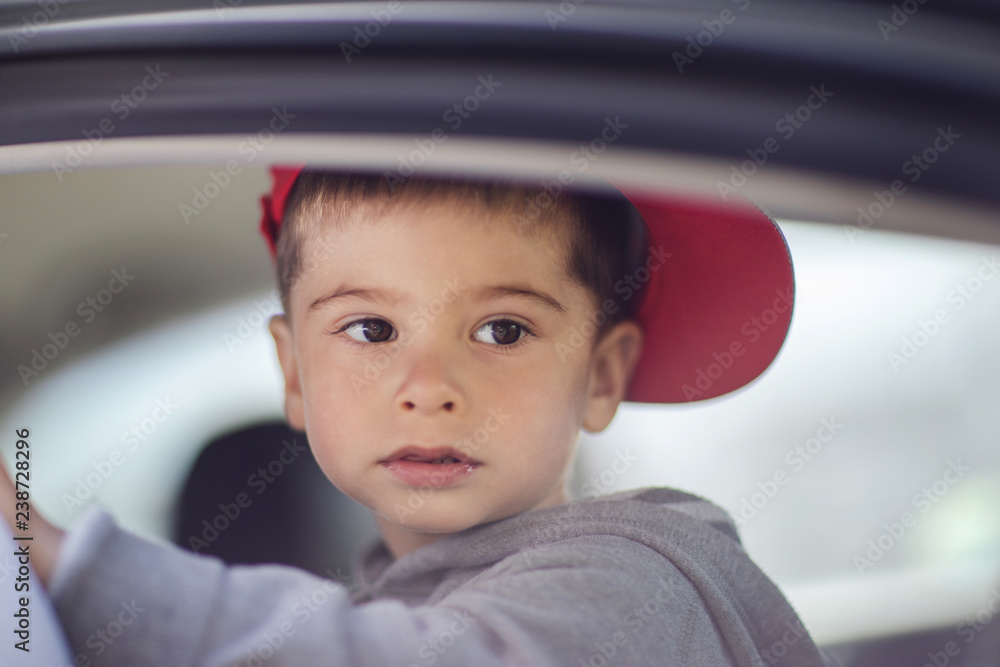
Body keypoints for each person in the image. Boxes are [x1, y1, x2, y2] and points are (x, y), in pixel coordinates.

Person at [0, 167, 838, 666]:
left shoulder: (636, 583)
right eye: (370, 329)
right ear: (293, 373)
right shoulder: (406, 605)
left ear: (601, 374)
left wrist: (69, 560)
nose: (429, 385)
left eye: (502, 329)